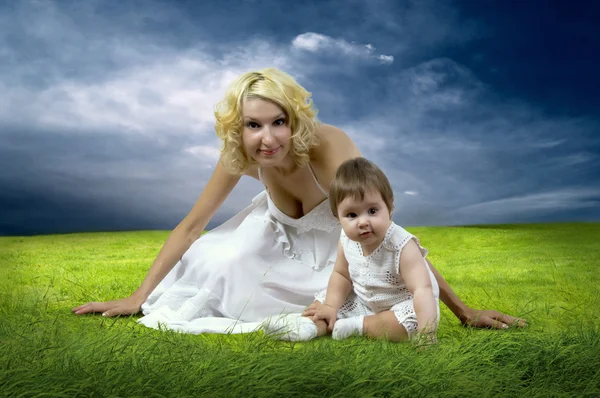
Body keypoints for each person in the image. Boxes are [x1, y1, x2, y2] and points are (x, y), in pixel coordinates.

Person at [72, 67, 527, 335]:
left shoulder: (327, 147)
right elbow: (192, 226)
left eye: (278, 122)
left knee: (353, 299)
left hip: (335, 249)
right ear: (238, 127)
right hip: (271, 233)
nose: (266, 139)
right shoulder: (240, 153)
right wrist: (137, 297)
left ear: (294, 120)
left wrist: (463, 311)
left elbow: (389, 232)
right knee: (218, 266)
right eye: (253, 125)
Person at [264, 157, 440, 343]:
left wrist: (427, 333)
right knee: (325, 303)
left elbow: (422, 289)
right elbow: (341, 275)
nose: (363, 222)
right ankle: (306, 327)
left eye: (372, 211)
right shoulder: (346, 240)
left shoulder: (402, 245)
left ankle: (357, 326)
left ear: (390, 206)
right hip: (362, 300)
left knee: (410, 321)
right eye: (352, 215)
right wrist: (331, 306)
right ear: (337, 217)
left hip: (402, 304)